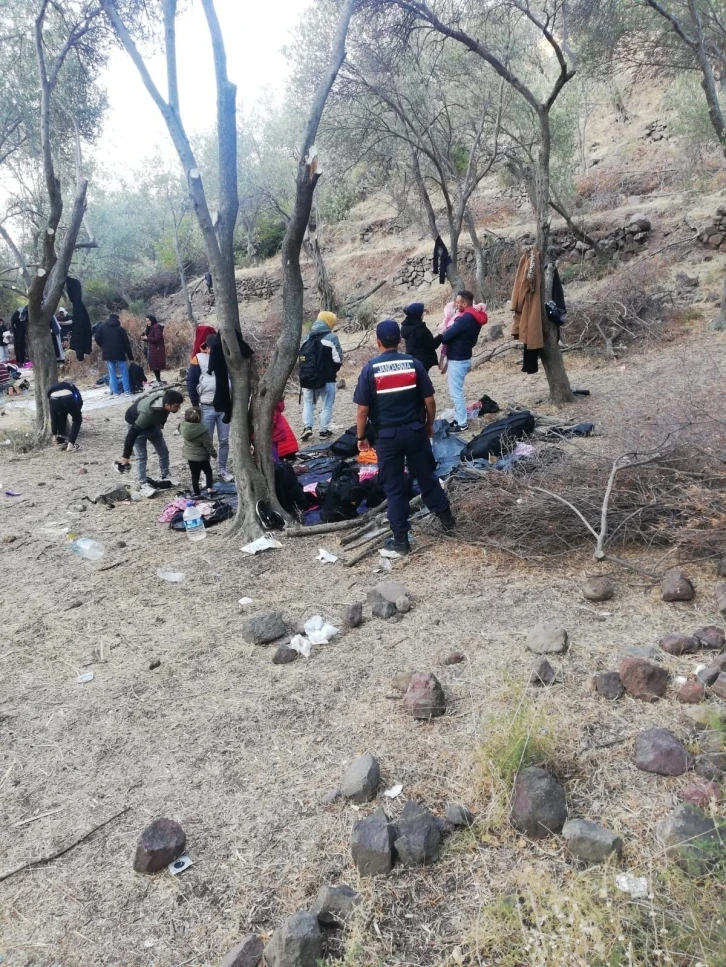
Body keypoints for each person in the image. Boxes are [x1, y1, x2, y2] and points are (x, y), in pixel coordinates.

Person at [353, 319, 455, 555]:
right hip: (415, 432)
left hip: (387, 437)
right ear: (399, 340)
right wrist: (429, 425)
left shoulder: (370, 369)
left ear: (378, 342)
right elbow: (429, 401)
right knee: (427, 477)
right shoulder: (413, 364)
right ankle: (447, 520)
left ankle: (401, 540)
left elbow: (362, 410)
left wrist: (361, 437)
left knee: (394, 487)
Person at [114, 387, 184, 494]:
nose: (178, 408)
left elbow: (164, 414)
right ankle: (142, 484)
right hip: (135, 423)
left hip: (152, 424)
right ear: (167, 405)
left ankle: (165, 476)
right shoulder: (147, 414)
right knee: (142, 456)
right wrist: (125, 456)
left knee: (163, 451)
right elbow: (131, 434)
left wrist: (161, 424)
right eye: (176, 406)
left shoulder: (165, 400)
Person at [186, 327, 233, 482]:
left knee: (224, 440)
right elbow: (191, 381)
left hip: (224, 406)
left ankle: (222, 469)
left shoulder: (226, 356)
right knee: (205, 441)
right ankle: (204, 474)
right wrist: (195, 404)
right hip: (206, 406)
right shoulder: (198, 358)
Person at [440, 290, 488, 432]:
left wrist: (446, 329)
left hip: (458, 359)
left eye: (458, 302)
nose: (456, 304)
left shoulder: (465, 318)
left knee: (456, 393)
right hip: (463, 356)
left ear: (464, 303)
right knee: (456, 392)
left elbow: (446, 336)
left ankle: (462, 424)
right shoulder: (473, 316)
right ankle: (458, 419)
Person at [299, 311, 343, 441]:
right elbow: (338, 359)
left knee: (308, 404)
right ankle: (323, 432)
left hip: (308, 378)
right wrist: (333, 370)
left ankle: (307, 427)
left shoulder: (307, 338)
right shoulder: (332, 337)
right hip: (327, 378)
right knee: (327, 405)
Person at [179, 406, 217, 496]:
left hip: (190, 457)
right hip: (201, 457)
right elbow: (208, 445)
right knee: (208, 471)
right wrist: (214, 454)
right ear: (200, 417)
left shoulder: (182, 426)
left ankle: (196, 492)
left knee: (195, 474)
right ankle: (209, 488)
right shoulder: (203, 430)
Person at [94, 312, 134, 395]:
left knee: (112, 374)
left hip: (108, 353)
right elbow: (126, 343)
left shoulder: (102, 328)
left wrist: (103, 346)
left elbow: (97, 338)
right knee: (124, 372)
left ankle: (115, 392)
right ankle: (127, 390)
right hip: (120, 353)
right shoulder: (120, 329)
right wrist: (130, 356)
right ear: (117, 319)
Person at [400, 302, 441, 372]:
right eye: (422, 312)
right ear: (418, 314)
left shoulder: (406, 326)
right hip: (422, 362)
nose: (423, 314)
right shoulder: (419, 329)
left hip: (411, 360)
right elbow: (433, 344)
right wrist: (441, 335)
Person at [48, 381, 83, 451]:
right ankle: (71, 444)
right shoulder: (71, 385)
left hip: (54, 399)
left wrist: (54, 433)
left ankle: (59, 439)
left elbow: (53, 417)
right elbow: (79, 400)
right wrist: (76, 411)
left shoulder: (52, 388)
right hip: (68, 398)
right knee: (77, 420)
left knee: (61, 414)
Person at [145, 314, 166, 384]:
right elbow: (150, 339)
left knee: (156, 365)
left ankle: (159, 380)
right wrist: (145, 338)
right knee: (154, 365)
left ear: (152, 320)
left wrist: (147, 338)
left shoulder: (157, 327)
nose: (147, 322)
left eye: (148, 321)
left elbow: (157, 338)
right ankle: (158, 379)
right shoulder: (150, 328)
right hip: (153, 349)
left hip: (157, 349)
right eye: (146, 321)